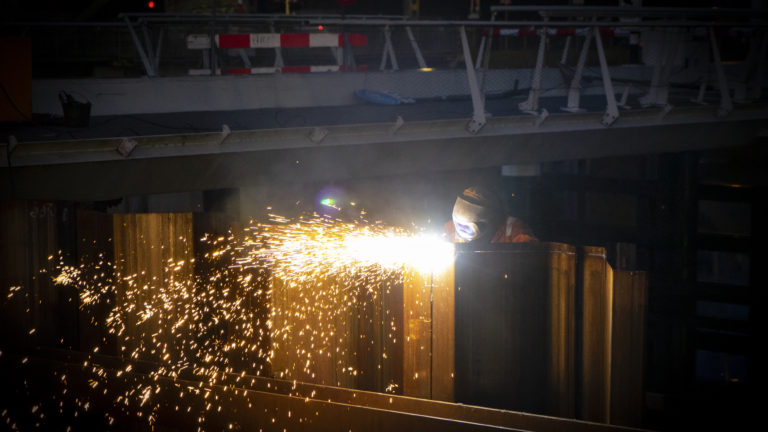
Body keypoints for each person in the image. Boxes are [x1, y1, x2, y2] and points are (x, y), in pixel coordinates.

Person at [445, 185, 537, 243]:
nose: (461, 230)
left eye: (467, 227)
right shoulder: (450, 229)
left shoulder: (514, 231)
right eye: (459, 224)